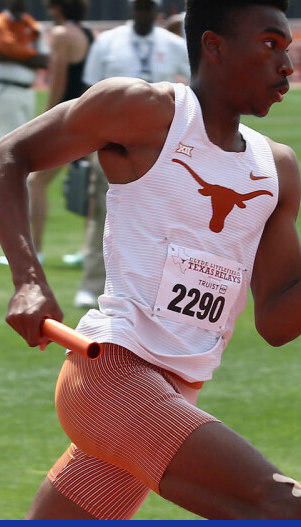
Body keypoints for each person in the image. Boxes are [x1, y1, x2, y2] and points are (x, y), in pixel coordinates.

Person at [0, 0, 301, 520]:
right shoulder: (142, 110)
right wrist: (28, 280)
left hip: (174, 393)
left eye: (288, 49)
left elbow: (279, 319)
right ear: (213, 46)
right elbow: (4, 157)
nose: (286, 65)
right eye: (269, 44)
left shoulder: (275, 167)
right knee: (279, 507)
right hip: (110, 376)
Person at [71, 0, 191, 309]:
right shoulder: (108, 43)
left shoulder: (173, 44)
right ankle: (93, 284)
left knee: (165, 218)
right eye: (138, 8)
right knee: (106, 214)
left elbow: (196, 87)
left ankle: (158, 288)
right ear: (130, 10)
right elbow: (87, 95)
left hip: (162, 146)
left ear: (156, 11)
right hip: (112, 143)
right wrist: (85, 144)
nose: (143, 14)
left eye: (148, 8)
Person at [0, 0, 92, 269]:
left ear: (58, 9)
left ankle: (35, 250)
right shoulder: (88, 33)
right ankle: (87, 249)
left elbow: (58, 81)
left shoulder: (60, 35)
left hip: (69, 120)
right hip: (91, 116)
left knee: (36, 182)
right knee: (93, 190)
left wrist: (46, 118)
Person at [0, 0, 47, 142]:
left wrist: (11, 57)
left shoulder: (31, 24)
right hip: (6, 87)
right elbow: (9, 47)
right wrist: (31, 58)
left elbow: (44, 59)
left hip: (27, 89)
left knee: (25, 137)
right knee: (12, 137)